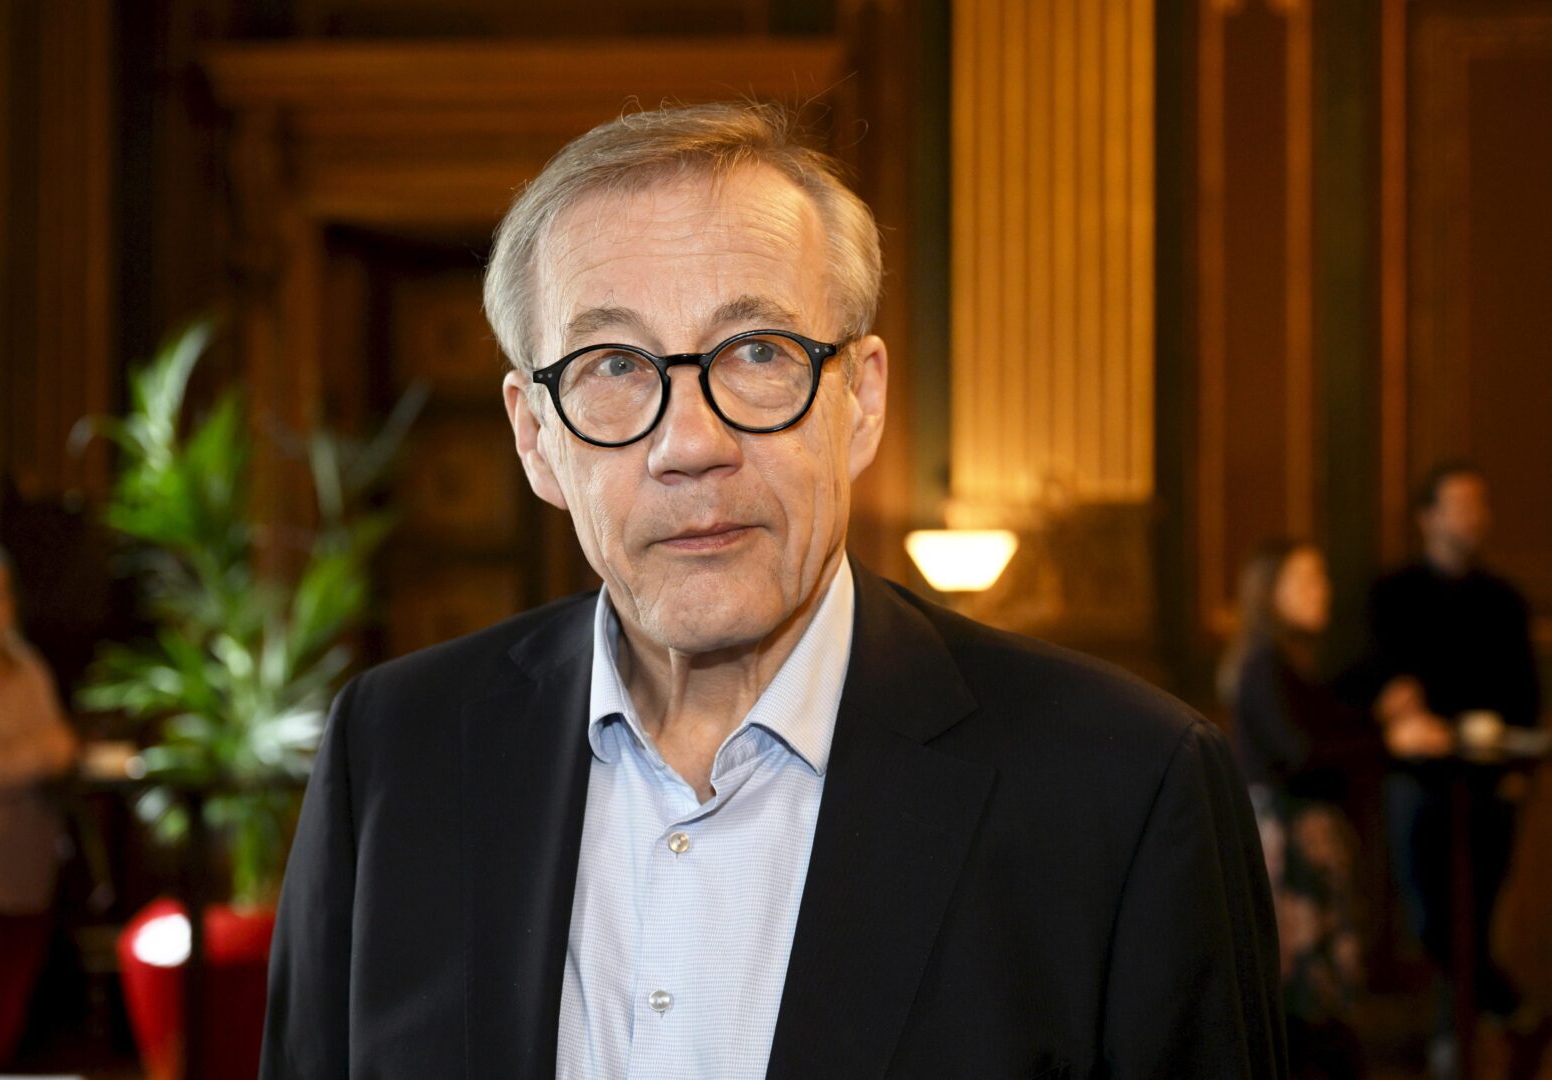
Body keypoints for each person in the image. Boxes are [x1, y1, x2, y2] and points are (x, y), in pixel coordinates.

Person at [261, 102, 1286, 1078]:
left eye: (758, 352)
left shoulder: (1125, 789)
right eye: (612, 365)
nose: (689, 442)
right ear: (535, 437)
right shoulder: (392, 755)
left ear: (861, 401)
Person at [1369, 462, 1545, 1075]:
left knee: (1477, 919)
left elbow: (1525, 698)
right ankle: (1513, 1011)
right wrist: (1400, 706)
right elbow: (1380, 683)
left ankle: (1457, 1043)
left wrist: (1516, 771)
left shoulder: (1504, 601)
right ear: (1429, 518)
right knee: (1434, 923)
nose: (1474, 517)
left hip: (1490, 783)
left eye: (1480, 505)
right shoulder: (1394, 595)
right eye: (1460, 504)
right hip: (1420, 784)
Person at [1220, 539, 1412, 1080]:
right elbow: (1298, 753)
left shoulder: (1291, 664)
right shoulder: (1263, 663)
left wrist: (1380, 720)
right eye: (1305, 580)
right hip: (1288, 844)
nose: (1321, 591)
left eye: (1321, 579)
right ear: (1270, 593)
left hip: (1307, 839)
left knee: (1316, 995)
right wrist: (1389, 740)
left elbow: (1327, 726)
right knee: (1300, 990)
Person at [0, 535, 78, 1071]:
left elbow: (62, 745)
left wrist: (51, 756)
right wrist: (31, 758)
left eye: (0, 595)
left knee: (2, 1037)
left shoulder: (28, 667)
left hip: (27, 869)